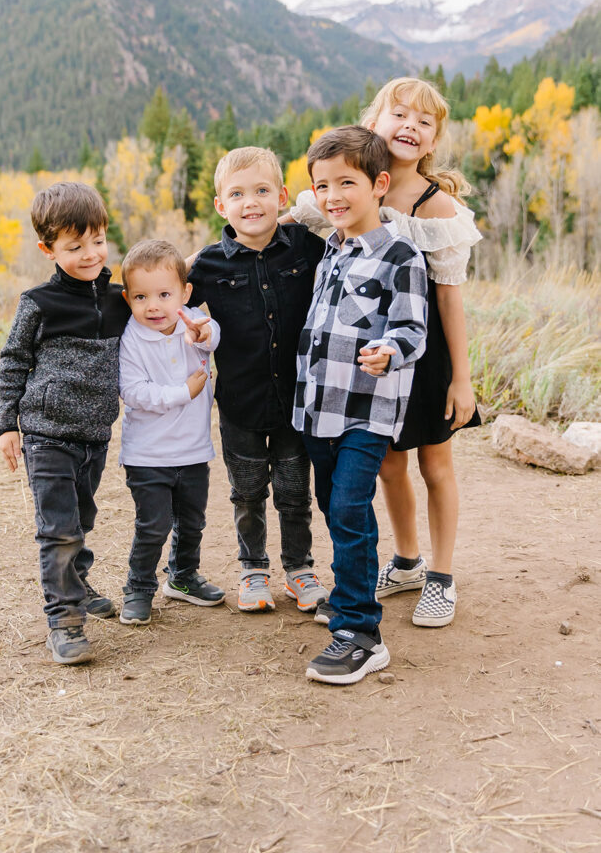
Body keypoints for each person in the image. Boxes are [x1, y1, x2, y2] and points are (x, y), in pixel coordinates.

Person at [290, 77, 482, 628]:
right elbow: (285, 223)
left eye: (424, 122)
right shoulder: (344, 190)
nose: (410, 126)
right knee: (389, 465)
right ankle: (405, 561)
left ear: (431, 142)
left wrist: (461, 378)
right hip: (365, 362)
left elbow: (450, 302)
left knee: (435, 462)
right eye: (398, 114)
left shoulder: (437, 207)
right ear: (373, 122)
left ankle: (441, 577)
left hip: (425, 354)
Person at [293, 126, 427, 685]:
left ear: (378, 184)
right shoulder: (331, 248)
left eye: (345, 182)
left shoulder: (401, 255)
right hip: (316, 410)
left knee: (350, 506)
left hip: (366, 411)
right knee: (334, 506)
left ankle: (360, 632)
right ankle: (350, 592)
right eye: (321, 186)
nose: (332, 197)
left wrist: (389, 350)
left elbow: (414, 328)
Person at [187, 146, 328, 613]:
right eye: (238, 194)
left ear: (282, 196)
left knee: (293, 492)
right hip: (240, 405)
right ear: (220, 205)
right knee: (247, 492)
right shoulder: (206, 265)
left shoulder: (306, 247)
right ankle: (253, 570)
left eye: (263, 191)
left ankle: (300, 569)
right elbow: (166, 295)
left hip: (296, 400)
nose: (252, 202)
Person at [0, 181, 131, 665]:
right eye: (74, 247)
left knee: (82, 519)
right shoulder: (39, 303)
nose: (90, 254)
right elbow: (13, 361)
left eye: (97, 241)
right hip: (47, 434)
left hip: (96, 435)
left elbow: (163, 316)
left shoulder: (121, 298)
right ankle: (65, 621)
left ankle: (78, 581)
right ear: (48, 248)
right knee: (59, 529)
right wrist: (7, 424)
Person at [118, 239, 225, 626]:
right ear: (128, 298)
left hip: (194, 450)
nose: (154, 306)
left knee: (192, 521)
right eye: (142, 297)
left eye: (165, 294)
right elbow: (133, 392)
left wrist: (204, 334)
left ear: (185, 292)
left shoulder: (192, 321)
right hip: (148, 455)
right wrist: (186, 392)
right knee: (154, 525)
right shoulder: (131, 339)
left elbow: (213, 334)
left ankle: (182, 577)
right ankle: (139, 587)